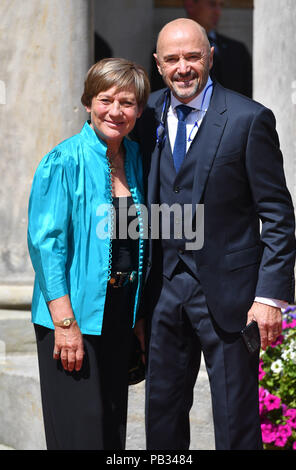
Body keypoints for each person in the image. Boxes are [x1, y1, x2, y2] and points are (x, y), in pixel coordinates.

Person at [133, 18, 296, 450]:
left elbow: (277, 215)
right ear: (158, 64)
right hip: (161, 291)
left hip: (232, 297)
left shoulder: (249, 119)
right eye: (172, 59)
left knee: (235, 421)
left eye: (192, 56)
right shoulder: (142, 116)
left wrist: (269, 297)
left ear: (209, 56)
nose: (183, 67)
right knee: (162, 418)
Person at [27, 58, 150, 450]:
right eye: (106, 99)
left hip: (118, 313)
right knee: (80, 436)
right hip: (72, 316)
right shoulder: (62, 160)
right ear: (88, 102)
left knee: (111, 434)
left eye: (127, 103)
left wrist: (136, 317)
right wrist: (65, 324)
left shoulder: (134, 159)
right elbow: (47, 245)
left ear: (139, 111)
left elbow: (133, 243)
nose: (116, 111)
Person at [150, 0, 252, 97]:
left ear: (210, 57)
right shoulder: (165, 52)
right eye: (212, 4)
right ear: (190, 4)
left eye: (220, 5)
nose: (218, 12)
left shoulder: (237, 50)